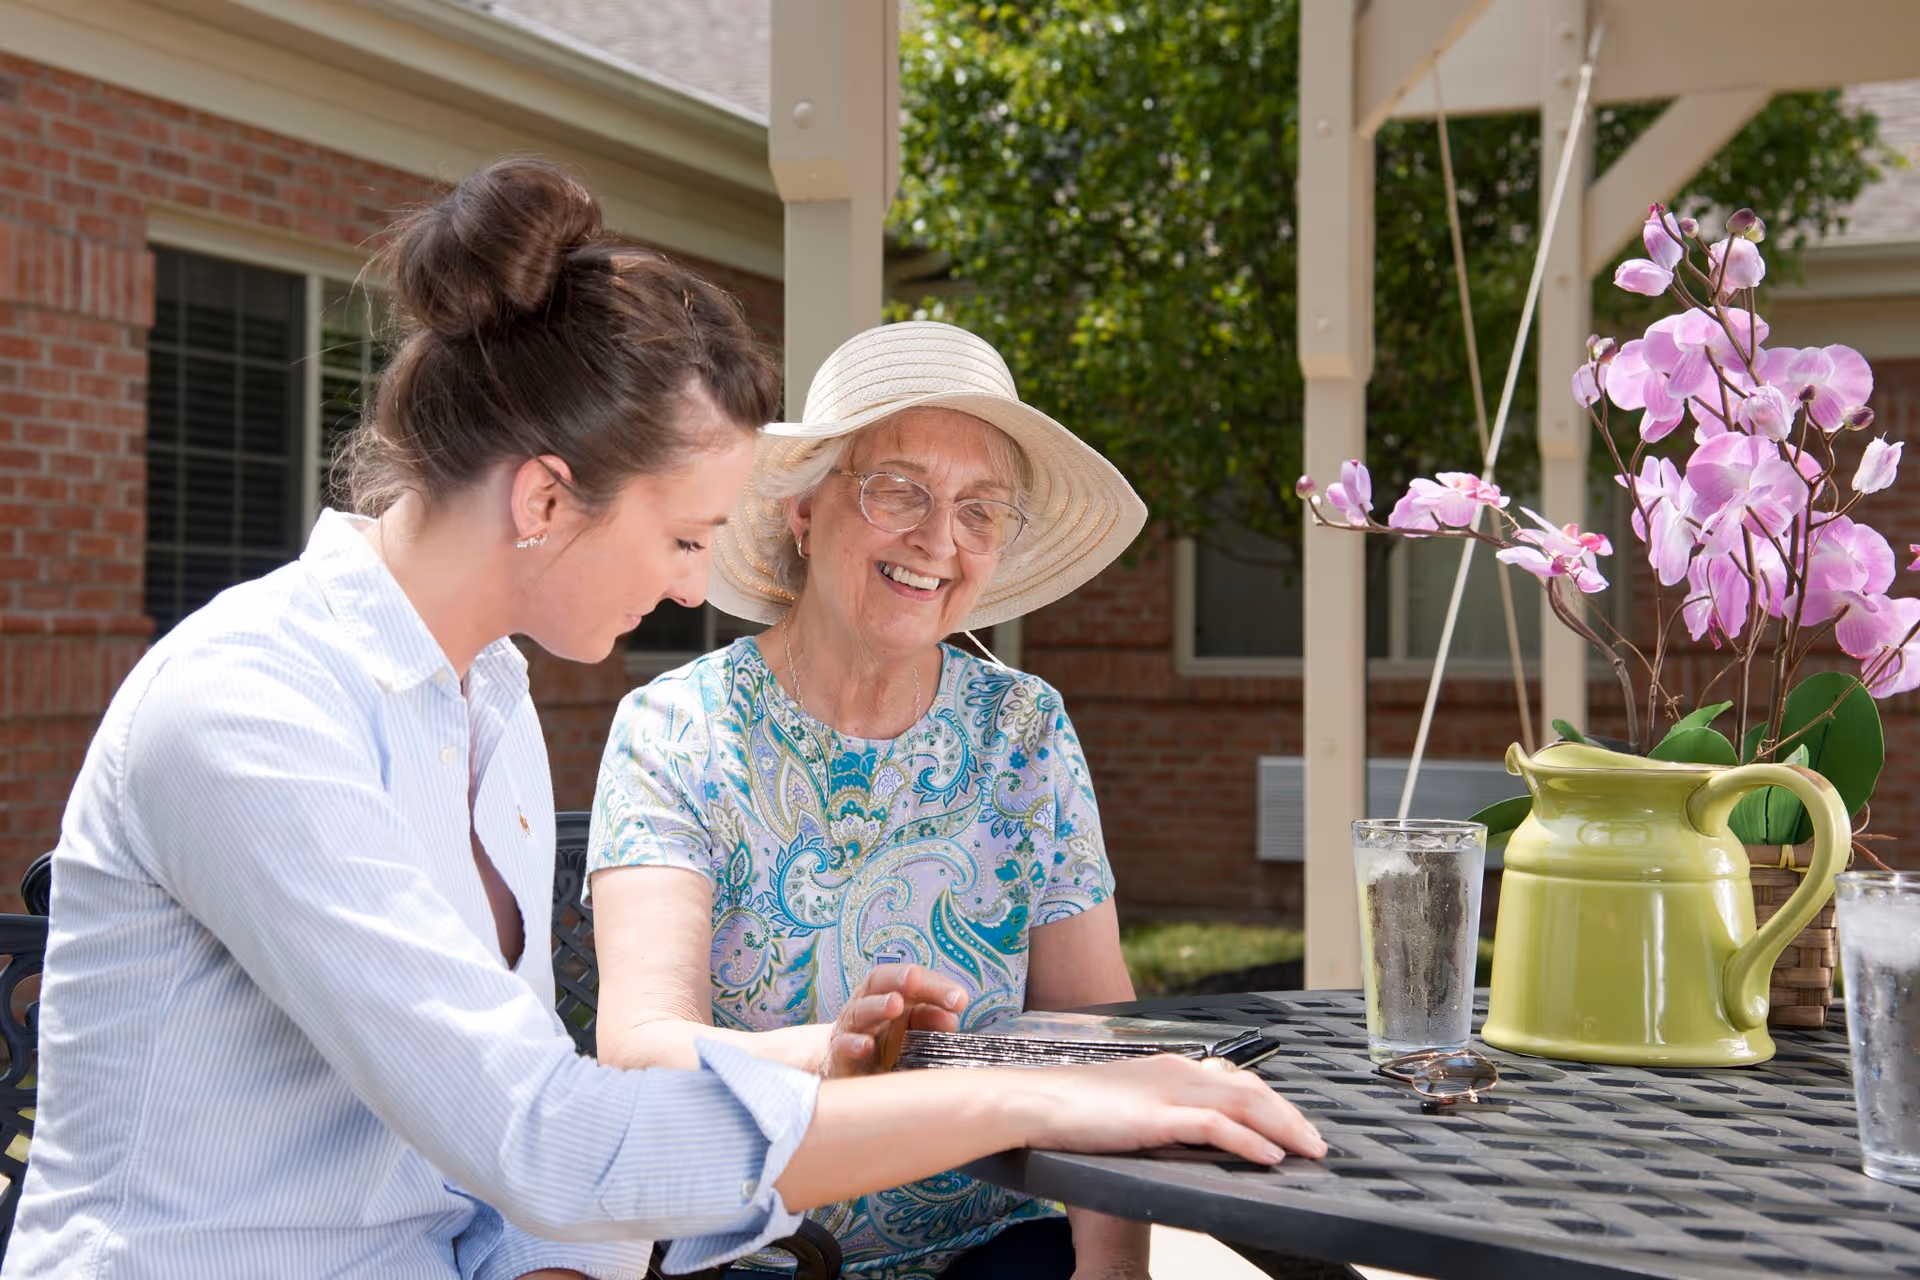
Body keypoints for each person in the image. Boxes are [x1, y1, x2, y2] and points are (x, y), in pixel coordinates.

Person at [2, 160, 1324, 1280]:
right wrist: (1045, 1097)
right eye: (687, 535)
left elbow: (513, 1177)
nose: (699, 583)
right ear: (542, 501)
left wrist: (833, 1068)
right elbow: (551, 1142)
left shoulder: (490, 711)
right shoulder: (249, 711)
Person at [587, 321, 1170, 1278]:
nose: (938, 540)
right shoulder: (679, 726)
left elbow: (1094, 1040)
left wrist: (1112, 1276)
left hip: (993, 1248)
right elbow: (641, 1052)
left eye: (979, 510)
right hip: (754, 1250)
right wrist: (829, 1055)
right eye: (898, 489)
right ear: (804, 512)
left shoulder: (1023, 730)